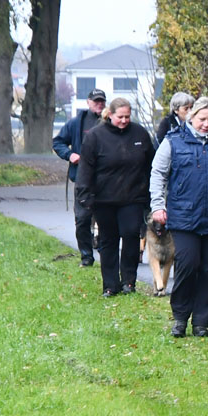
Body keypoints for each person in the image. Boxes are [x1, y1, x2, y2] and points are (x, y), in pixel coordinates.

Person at [149, 96, 208, 337]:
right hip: (183, 217)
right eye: (202, 119)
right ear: (191, 117)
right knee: (187, 265)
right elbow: (158, 174)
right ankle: (180, 318)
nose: (206, 124)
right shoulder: (173, 141)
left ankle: (202, 322)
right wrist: (158, 206)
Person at [75, 98, 155, 296]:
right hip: (104, 199)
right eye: (120, 117)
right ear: (109, 115)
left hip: (133, 196)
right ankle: (110, 285)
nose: (124, 120)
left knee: (130, 235)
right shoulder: (95, 136)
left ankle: (129, 281)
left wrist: (151, 194)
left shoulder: (140, 134)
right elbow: (86, 169)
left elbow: (151, 165)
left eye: (127, 116)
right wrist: (85, 195)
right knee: (108, 240)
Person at [53, 87, 106, 266]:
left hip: (107, 181)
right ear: (88, 103)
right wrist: (70, 155)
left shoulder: (111, 123)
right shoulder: (77, 123)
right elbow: (57, 142)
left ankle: (107, 256)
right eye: (96, 101)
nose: (99, 104)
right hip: (82, 180)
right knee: (82, 220)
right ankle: (86, 257)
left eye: (102, 101)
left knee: (107, 220)